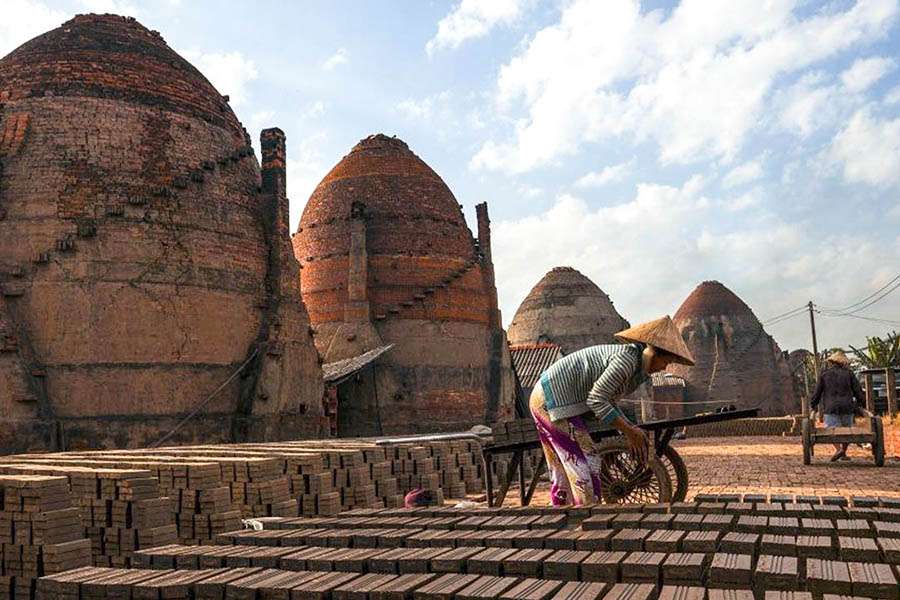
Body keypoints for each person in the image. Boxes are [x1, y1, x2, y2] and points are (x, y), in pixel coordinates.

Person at [529, 316, 695, 506]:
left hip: (554, 399)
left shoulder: (635, 367)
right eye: (665, 361)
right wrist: (628, 430)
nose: (664, 368)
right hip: (551, 399)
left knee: (563, 467)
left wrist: (629, 428)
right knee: (585, 462)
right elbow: (596, 399)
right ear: (652, 353)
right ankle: (586, 516)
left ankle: (565, 513)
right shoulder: (626, 361)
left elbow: (608, 402)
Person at [810, 350, 865, 462]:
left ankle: (839, 449)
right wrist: (862, 403)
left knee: (831, 430)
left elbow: (817, 393)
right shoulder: (849, 374)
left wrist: (813, 405)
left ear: (831, 362)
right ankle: (843, 452)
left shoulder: (824, 375)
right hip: (847, 407)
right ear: (843, 363)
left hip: (831, 408)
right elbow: (858, 391)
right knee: (847, 431)